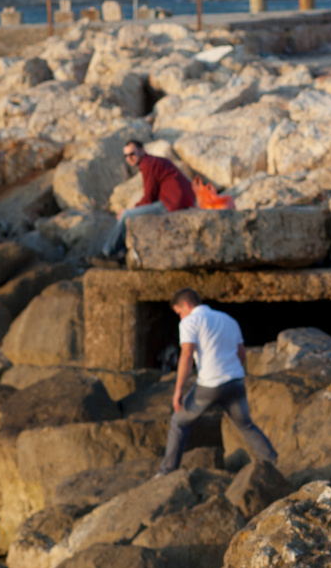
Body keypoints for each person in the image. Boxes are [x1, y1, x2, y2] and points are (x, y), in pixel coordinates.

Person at [158, 288, 277, 476]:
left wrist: (178, 390)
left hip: (210, 385)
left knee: (179, 422)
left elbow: (187, 354)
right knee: (246, 425)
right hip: (235, 382)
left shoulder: (190, 322)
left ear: (187, 305)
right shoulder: (229, 320)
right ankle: (273, 463)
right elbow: (241, 354)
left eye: (179, 312)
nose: (180, 318)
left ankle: (166, 472)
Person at [98, 140, 196, 263]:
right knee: (130, 215)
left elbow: (149, 197)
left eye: (132, 154)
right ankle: (121, 252)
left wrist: (129, 210)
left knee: (126, 216)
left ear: (142, 150)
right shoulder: (153, 161)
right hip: (177, 201)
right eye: (126, 156)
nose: (129, 158)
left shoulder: (148, 163)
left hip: (172, 203)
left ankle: (107, 253)